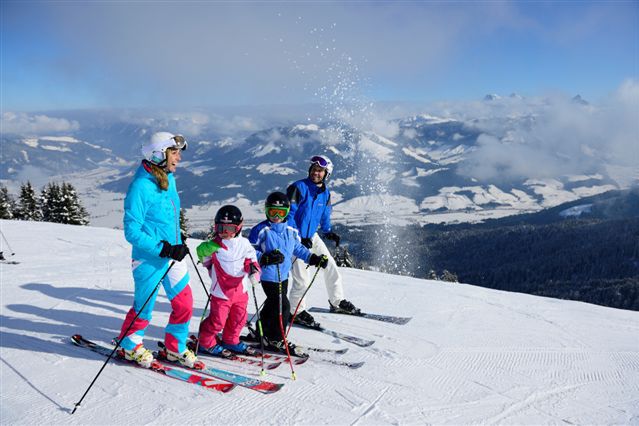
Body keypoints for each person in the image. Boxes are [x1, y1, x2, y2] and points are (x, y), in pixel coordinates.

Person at [116, 131, 201, 369]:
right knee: (145, 306)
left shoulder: (167, 178)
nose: (179, 158)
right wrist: (161, 247)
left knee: (184, 304)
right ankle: (130, 346)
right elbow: (131, 231)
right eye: (174, 152)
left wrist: (177, 235)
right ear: (158, 155)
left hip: (172, 254)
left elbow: (164, 216)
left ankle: (175, 347)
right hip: (149, 259)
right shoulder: (141, 186)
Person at [248, 192, 327, 355]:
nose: (276, 216)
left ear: (287, 212)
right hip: (268, 276)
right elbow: (249, 251)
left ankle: (261, 331)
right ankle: (277, 338)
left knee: (272, 304)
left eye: (281, 212)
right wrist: (265, 257)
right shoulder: (261, 230)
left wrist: (312, 258)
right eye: (272, 212)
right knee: (283, 306)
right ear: (266, 211)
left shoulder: (291, 228)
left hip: (284, 276)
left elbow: (297, 248)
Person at [286, 155, 360, 327]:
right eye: (314, 169)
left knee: (330, 266)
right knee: (302, 279)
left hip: (312, 236)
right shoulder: (298, 188)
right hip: (295, 238)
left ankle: (337, 302)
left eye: (320, 171)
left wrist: (328, 232)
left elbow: (324, 214)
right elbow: (288, 214)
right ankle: (295, 311)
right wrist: (298, 237)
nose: (316, 173)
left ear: (327, 174)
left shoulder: (325, 194)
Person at [195, 205, 261, 356]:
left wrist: (253, 271)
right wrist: (208, 259)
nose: (225, 233)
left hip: (240, 289)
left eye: (229, 229)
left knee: (239, 318)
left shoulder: (244, 243)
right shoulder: (214, 245)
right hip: (221, 291)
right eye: (220, 228)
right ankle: (206, 342)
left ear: (238, 228)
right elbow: (201, 253)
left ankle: (231, 340)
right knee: (218, 320)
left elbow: (251, 260)